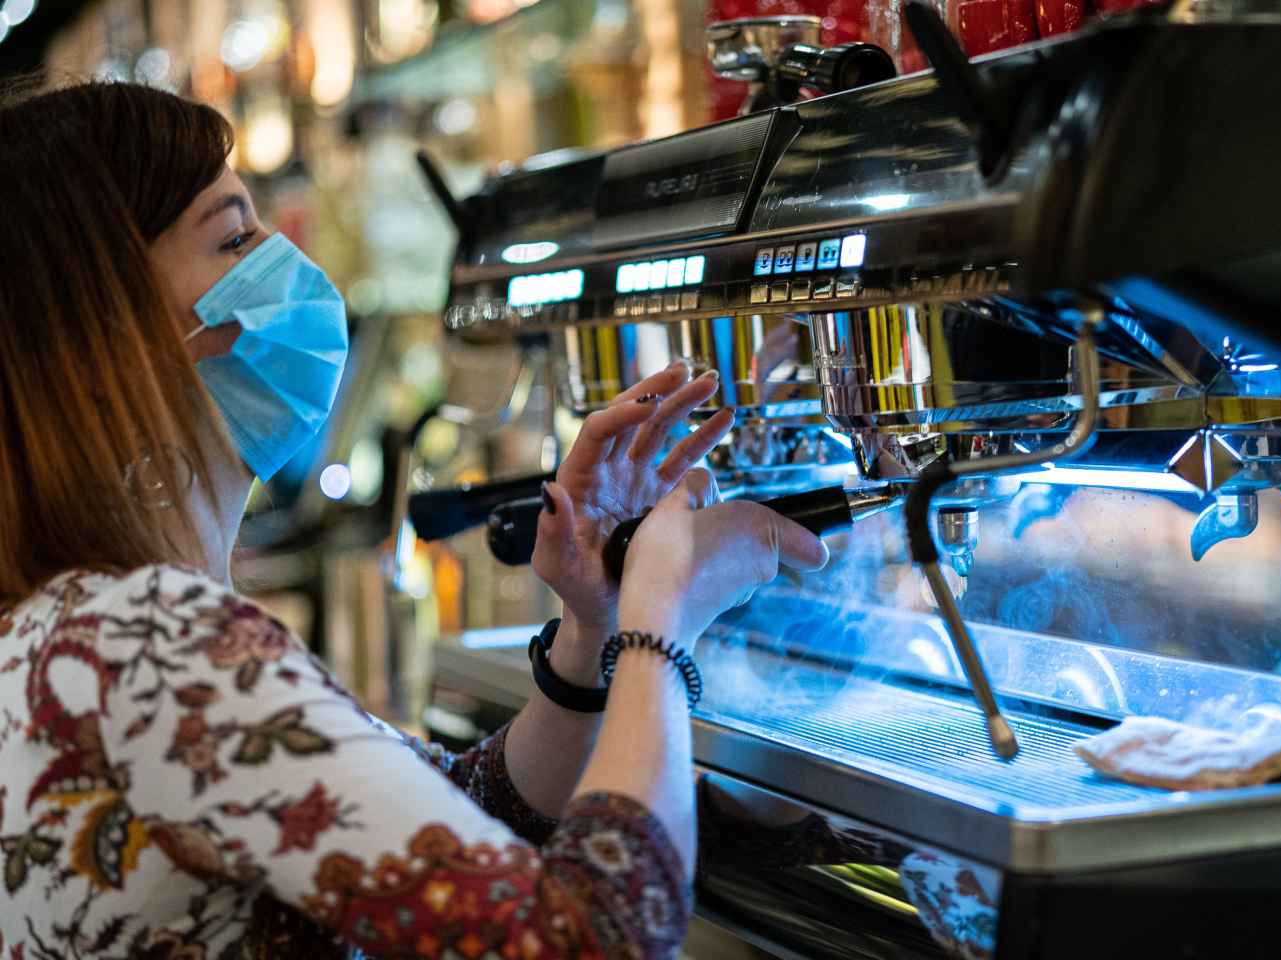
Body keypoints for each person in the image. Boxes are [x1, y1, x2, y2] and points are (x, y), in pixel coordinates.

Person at [0, 79, 830, 959]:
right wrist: (664, 618)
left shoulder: (66, 631)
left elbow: (446, 824)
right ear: (109, 340)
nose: (293, 270)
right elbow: (598, 941)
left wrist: (596, 631)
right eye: (235, 240)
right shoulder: (152, 643)